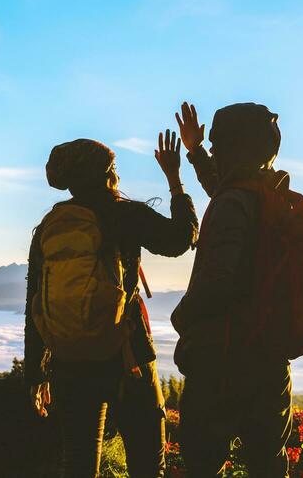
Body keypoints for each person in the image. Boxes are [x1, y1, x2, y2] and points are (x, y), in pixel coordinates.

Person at [27, 132, 198, 478]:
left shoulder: (49, 226)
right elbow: (183, 238)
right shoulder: (123, 215)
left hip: (68, 362)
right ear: (107, 174)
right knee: (147, 463)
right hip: (126, 357)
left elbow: (36, 303)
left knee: (78, 463)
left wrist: (37, 373)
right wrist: (175, 181)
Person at [171, 101, 303, 478]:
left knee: (204, 463)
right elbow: (222, 187)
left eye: (217, 145)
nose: (214, 151)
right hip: (270, 361)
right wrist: (195, 150)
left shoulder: (232, 203)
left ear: (237, 148)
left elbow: (217, 282)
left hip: (223, 361)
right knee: (268, 464)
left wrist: (182, 319)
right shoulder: (273, 197)